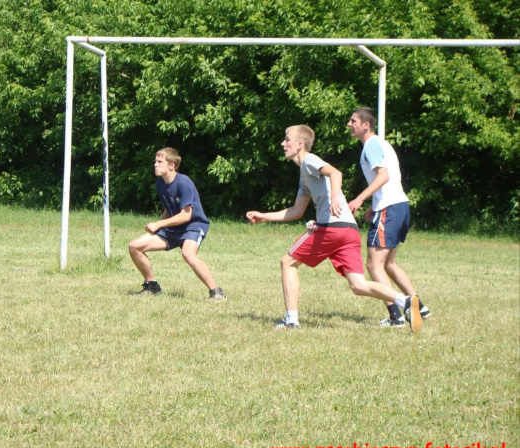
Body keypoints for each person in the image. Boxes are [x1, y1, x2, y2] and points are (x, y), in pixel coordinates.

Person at [246, 125, 422, 332]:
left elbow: (335, 173)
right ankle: (405, 301)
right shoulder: (305, 174)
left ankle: (291, 320)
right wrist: (264, 216)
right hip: (349, 231)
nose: (283, 144)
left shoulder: (310, 160)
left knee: (287, 263)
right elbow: (296, 211)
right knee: (359, 285)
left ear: (300, 144)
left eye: (287, 140)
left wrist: (335, 197)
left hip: (331, 227)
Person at [346, 107, 430, 328]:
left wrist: (360, 199)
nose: (349, 124)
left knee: (374, 266)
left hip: (389, 208)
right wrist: (375, 204)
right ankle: (419, 307)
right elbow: (389, 178)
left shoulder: (371, 145)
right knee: (389, 263)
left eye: (353, 120)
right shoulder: (382, 144)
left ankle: (397, 316)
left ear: (366, 125)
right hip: (399, 204)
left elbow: (384, 175)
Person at [128, 147, 226, 301]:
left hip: (193, 226)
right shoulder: (161, 184)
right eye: (155, 161)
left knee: (188, 254)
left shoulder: (184, 183)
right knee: (134, 246)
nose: (155, 164)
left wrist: (159, 225)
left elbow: (186, 216)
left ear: (172, 165)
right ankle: (152, 286)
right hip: (173, 228)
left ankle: (216, 292)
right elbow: (169, 208)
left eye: (160, 162)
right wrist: (158, 225)